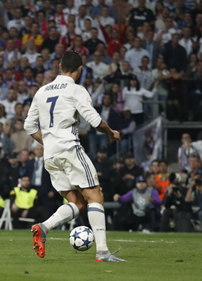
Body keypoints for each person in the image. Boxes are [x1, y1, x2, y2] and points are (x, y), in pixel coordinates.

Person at [24, 51, 124, 262]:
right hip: (70, 150)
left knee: (78, 203)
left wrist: (49, 142)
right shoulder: (76, 90)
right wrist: (112, 132)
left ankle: (43, 228)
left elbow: (29, 126)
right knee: (96, 197)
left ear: (60, 66)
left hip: (50, 156)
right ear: (80, 69)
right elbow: (95, 121)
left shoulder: (41, 92)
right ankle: (103, 252)